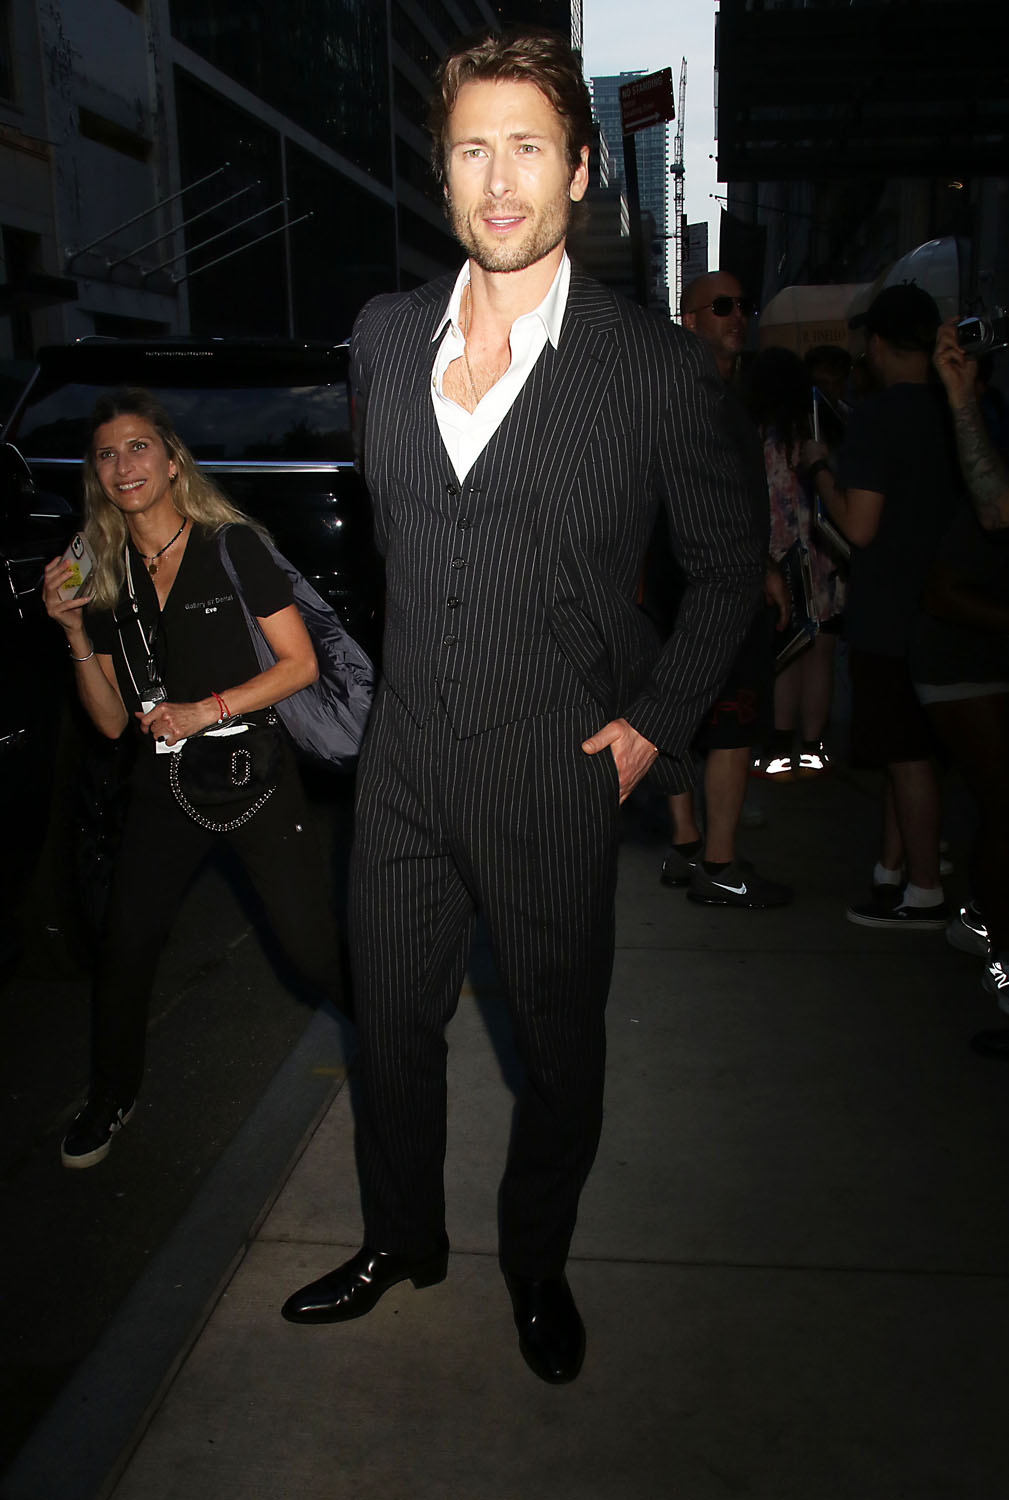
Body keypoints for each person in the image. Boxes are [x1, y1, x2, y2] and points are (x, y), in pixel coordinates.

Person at [280, 29, 760, 1383]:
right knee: (390, 1031)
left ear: (582, 171)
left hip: (557, 769)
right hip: (403, 771)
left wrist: (653, 723)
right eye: (472, 151)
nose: (500, 183)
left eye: (530, 149)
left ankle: (536, 1263)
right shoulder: (383, 339)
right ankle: (401, 1239)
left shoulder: (652, 368)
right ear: (440, 173)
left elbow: (731, 569)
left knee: (556, 1052)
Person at [42, 388, 346, 1168]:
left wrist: (203, 709)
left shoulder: (229, 546)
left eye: (138, 447)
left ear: (172, 462)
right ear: (96, 475)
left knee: (312, 952)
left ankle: (394, 1040)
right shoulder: (105, 578)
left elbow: (299, 665)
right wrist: (74, 632)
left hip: (253, 773)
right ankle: (111, 1096)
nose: (123, 465)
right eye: (106, 455)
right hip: (163, 788)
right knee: (125, 944)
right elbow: (112, 722)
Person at [804, 284, 960, 928]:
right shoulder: (958, 410)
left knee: (907, 758)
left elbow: (859, 526)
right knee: (912, 752)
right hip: (949, 605)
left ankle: (923, 888)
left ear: (876, 343)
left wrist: (819, 470)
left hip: (889, 609)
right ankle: (892, 874)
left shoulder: (878, 417)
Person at [657, 271, 791, 907]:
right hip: (713, 587)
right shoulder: (696, 394)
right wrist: (756, 565)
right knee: (731, 725)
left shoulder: (700, 390)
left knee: (681, 714)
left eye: (743, 304)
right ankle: (718, 865)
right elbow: (710, 500)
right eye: (721, 306)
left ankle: (689, 844)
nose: (738, 315)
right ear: (690, 320)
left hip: (690, 583)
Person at [749, 346, 845, 779]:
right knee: (820, 654)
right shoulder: (818, 433)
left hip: (778, 561)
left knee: (785, 653)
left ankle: (779, 752)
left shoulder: (756, 435)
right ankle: (812, 751)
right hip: (824, 557)